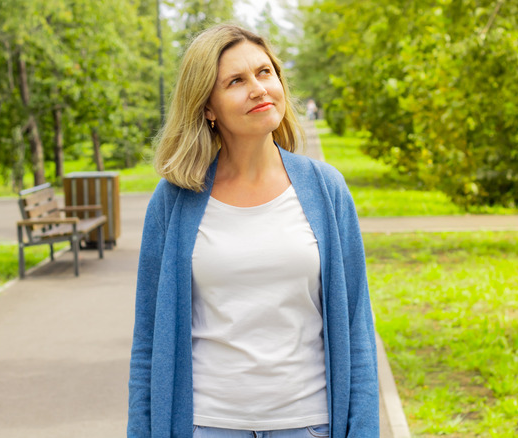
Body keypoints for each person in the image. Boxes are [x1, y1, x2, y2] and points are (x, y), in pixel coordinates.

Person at [127, 24, 379, 438]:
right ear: (207, 107)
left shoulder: (325, 188)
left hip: (309, 424)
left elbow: (357, 328)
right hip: (206, 425)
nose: (259, 89)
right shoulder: (174, 200)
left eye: (265, 73)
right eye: (236, 81)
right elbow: (148, 342)